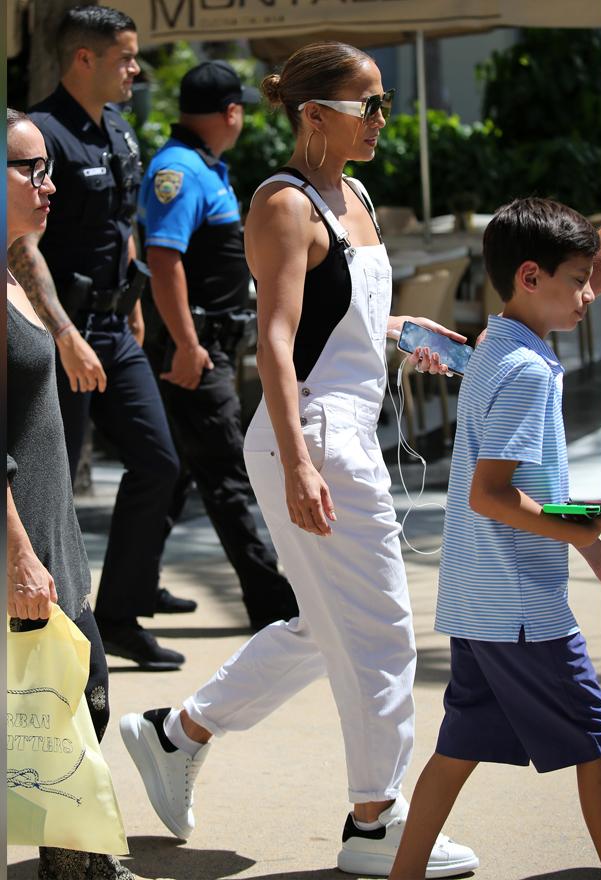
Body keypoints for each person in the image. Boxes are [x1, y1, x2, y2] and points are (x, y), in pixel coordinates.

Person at [118, 42, 479, 877]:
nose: (385, 121)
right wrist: (300, 461)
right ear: (314, 115)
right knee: (382, 629)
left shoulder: (352, 193)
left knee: (329, 627)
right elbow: (277, 347)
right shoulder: (284, 203)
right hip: (312, 434)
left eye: (385, 104)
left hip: (336, 431)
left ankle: (178, 733)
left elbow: (338, 320)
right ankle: (375, 823)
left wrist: (406, 333)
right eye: (371, 107)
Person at [388, 197, 601, 878]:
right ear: (531, 277)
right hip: (520, 610)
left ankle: (404, 872)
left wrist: (589, 541)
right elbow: (492, 496)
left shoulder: (495, 348)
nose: (590, 295)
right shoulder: (524, 371)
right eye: (579, 279)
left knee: (459, 748)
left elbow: (518, 488)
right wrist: (582, 525)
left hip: (481, 599)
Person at [8, 5, 187, 671]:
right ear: (84, 58)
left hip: (115, 325)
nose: (136, 69)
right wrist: (63, 334)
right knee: (47, 485)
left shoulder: (116, 127)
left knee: (160, 463)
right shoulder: (39, 133)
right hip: (60, 330)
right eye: (126, 57)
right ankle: (43, 620)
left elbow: (122, 217)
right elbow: (22, 246)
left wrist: (134, 299)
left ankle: (118, 613)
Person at [6, 107, 138, 880]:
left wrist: (66, 329)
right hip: (17, 537)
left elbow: (33, 256)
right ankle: (82, 865)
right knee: (54, 707)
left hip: (52, 528)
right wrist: (18, 554)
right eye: (32, 169)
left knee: (77, 693)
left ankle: (77, 860)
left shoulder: (10, 266)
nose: (49, 183)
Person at [138, 60, 299, 631]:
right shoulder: (178, 170)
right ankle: (271, 599)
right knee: (228, 471)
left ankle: (133, 586)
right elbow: (163, 259)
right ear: (231, 112)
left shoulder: (204, 165)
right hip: (197, 349)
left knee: (180, 468)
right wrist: (185, 343)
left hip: (211, 344)